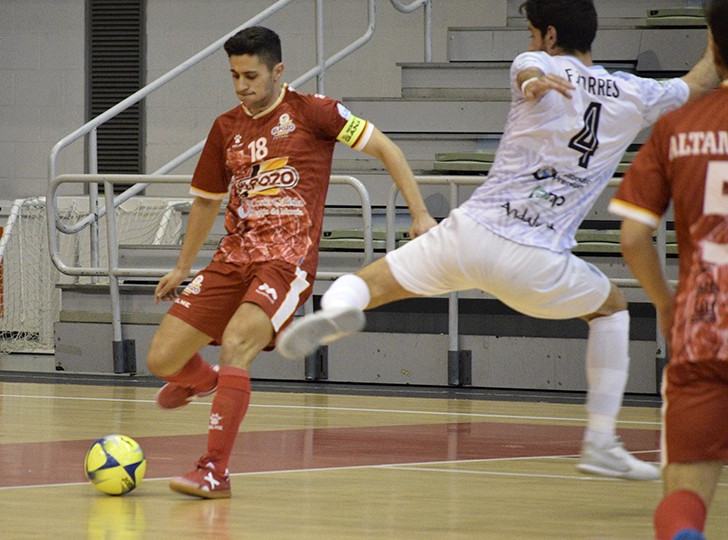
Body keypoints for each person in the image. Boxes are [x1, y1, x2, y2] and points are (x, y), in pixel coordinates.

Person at [277, 0, 719, 481]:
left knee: (368, 283)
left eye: (531, 33)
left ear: (550, 35)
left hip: (470, 234)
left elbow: (529, 72)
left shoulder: (536, 63)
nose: (529, 44)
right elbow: (700, 81)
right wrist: (716, 32)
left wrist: (534, 81)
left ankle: (338, 312)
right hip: (536, 260)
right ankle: (599, 442)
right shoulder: (634, 92)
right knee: (611, 309)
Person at [146, 26, 437, 499]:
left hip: (285, 262)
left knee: (237, 343)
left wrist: (420, 214)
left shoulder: (314, 112)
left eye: (251, 76)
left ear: (278, 71)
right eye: (234, 76)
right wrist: (182, 267)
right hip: (231, 258)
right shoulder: (225, 127)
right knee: (162, 359)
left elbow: (387, 148)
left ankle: (214, 470)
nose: (242, 85)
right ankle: (207, 382)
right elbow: (206, 201)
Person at [610, 1, 728, 537]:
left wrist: (665, 302)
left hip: (704, 327)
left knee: (684, 495)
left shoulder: (677, 127)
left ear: (713, 45)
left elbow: (633, 237)